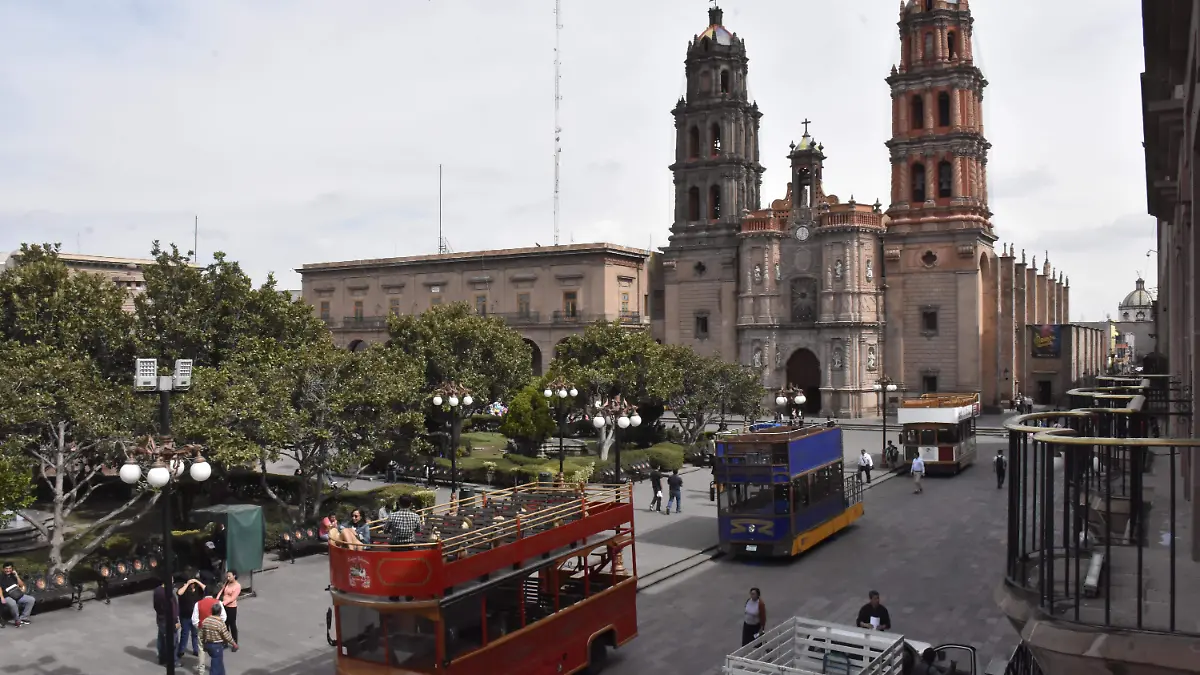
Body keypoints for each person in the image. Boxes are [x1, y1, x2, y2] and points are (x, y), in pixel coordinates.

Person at [200, 601, 239, 675]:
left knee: (219, 663)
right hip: (216, 646)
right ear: (220, 612)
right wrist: (234, 643)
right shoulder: (220, 623)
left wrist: (203, 644)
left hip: (208, 644)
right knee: (215, 665)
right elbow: (226, 635)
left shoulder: (205, 621)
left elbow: (202, 634)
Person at [176, 573, 206, 659]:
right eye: (191, 584)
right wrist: (187, 584)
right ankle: (181, 650)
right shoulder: (183, 589)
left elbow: (206, 589)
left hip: (195, 617)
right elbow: (179, 593)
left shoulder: (198, 590)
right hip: (185, 616)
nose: (192, 585)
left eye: (194, 584)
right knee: (184, 633)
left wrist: (197, 581)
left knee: (195, 634)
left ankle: (195, 650)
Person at [152, 577, 181, 666]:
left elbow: (155, 606)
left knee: (161, 640)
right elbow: (172, 610)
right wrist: (175, 622)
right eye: (172, 580)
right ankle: (173, 661)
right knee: (172, 642)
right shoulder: (168, 594)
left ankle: (162, 658)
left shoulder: (157, 591)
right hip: (169, 621)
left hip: (160, 619)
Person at [0, 561, 35, 627]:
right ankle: (17, 620)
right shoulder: (1, 577)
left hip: (16, 594)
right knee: (13, 604)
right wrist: (2, 598)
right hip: (6, 596)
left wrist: (16, 575)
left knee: (31, 600)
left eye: (9, 568)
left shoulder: (13, 576)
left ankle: (24, 618)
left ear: (12, 569)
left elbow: (21, 585)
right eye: (6, 568)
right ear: (3, 569)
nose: (8, 570)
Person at [219, 570, 242, 643]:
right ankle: (225, 641)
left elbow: (233, 598)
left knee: (232, 625)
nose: (228, 578)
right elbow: (221, 591)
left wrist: (224, 603)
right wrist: (216, 599)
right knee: (225, 624)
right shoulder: (227, 583)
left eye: (229, 576)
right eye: (227, 576)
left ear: (234, 576)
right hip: (224, 606)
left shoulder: (237, 586)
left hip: (231, 607)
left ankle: (235, 642)